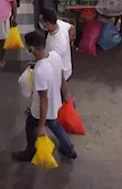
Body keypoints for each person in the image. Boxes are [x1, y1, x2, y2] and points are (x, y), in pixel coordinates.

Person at [12, 31, 76, 162]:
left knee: (31, 126)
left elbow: (43, 99)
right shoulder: (55, 55)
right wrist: (66, 95)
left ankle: (30, 152)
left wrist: (41, 126)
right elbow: (62, 77)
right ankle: (69, 149)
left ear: (31, 48)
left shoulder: (40, 71)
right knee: (54, 124)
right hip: (56, 103)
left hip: (41, 111)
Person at [40, 8, 75, 81]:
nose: (43, 25)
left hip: (60, 75)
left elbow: (54, 64)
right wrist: (70, 40)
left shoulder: (56, 44)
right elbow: (72, 27)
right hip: (66, 68)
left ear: (48, 23)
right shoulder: (60, 23)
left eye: (43, 23)